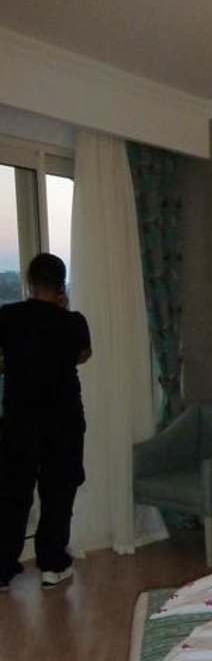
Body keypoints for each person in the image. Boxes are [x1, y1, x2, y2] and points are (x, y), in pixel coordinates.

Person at [0, 253, 91, 590]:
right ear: (61, 285)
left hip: (19, 420)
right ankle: (52, 565)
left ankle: (3, 569)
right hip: (63, 420)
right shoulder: (73, 322)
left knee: (13, 494)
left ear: (29, 281)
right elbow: (82, 355)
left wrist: (16, 364)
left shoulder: (7, 317)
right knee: (58, 493)